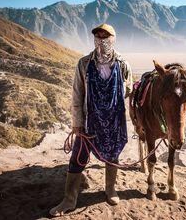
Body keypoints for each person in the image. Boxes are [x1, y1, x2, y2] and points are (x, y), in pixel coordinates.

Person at [50, 23, 133, 216]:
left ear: (113, 39)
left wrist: (110, 103)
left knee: (112, 155)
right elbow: (77, 94)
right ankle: (69, 200)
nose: (101, 39)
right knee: (78, 157)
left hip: (113, 121)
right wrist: (77, 123)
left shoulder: (122, 64)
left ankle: (110, 189)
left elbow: (127, 89)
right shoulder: (84, 63)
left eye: (105, 36)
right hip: (89, 121)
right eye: (98, 36)